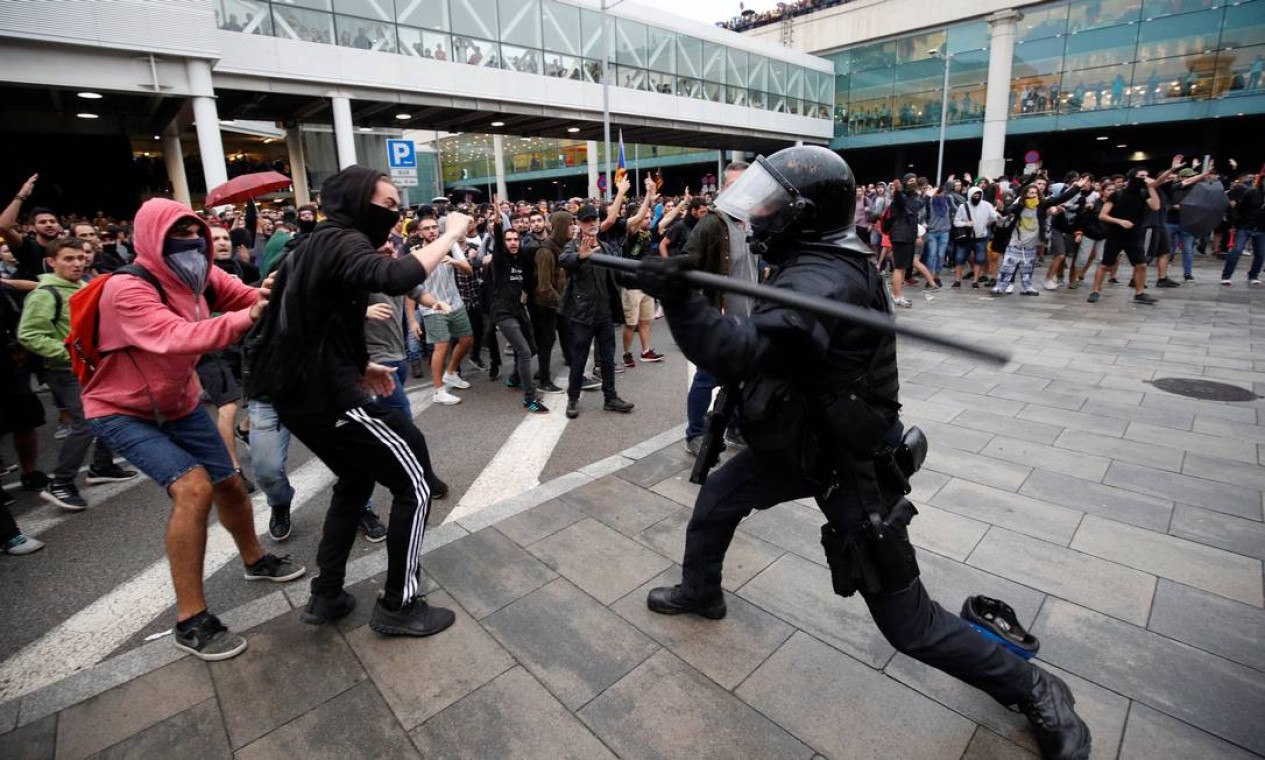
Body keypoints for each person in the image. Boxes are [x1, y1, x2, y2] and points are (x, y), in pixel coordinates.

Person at [634, 145, 1091, 760]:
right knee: (717, 500)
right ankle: (701, 591)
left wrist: (681, 301)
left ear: (804, 213)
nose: (759, 217)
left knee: (909, 625)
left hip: (849, 468)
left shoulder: (825, 278)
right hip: (797, 442)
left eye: (770, 206)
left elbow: (736, 352)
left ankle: (1035, 687)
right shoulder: (815, 254)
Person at [84, 198, 305, 662]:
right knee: (194, 489)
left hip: (179, 403)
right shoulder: (127, 288)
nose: (190, 245)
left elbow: (249, 297)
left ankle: (254, 560)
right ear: (150, 240)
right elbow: (176, 336)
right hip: (119, 410)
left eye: (195, 234)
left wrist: (277, 291)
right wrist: (250, 316)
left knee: (230, 485)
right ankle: (190, 618)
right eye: (176, 237)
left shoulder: (199, 273)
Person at [251, 165, 466, 637]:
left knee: (354, 478)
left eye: (396, 207)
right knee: (416, 483)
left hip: (305, 394)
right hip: (326, 398)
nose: (393, 215)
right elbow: (397, 275)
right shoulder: (343, 240)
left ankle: (327, 593)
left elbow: (316, 321)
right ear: (353, 202)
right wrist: (453, 232)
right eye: (387, 206)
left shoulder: (311, 245)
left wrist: (358, 365)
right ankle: (399, 604)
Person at [17, 237, 137, 510]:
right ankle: (60, 482)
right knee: (85, 424)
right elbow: (29, 334)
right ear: (51, 262)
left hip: (92, 367)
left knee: (111, 413)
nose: (77, 263)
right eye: (69, 259)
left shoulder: (81, 287)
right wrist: (70, 352)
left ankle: (102, 466)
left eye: (81, 258)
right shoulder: (46, 293)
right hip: (65, 371)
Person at [559, 204, 634, 419]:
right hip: (582, 315)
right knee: (579, 359)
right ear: (579, 223)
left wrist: (644, 277)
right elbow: (564, 261)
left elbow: (619, 274)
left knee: (608, 359)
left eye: (594, 219)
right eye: (586, 220)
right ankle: (572, 398)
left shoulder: (606, 247)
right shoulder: (573, 246)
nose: (591, 223)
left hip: (605, 314)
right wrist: (581, 257)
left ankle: (610, 398)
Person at [1088, 167, 1161, 305]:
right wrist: (1120, 221)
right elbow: (1103, 215)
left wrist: (1152, 188)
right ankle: (1095, 291)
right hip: (1115, 235)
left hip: (1134, 235)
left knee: (1141, 265)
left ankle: (1139, 293)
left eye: (1146, 176)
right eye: (1141, 176)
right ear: (1132, 177)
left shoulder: (1143, 194)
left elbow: (1156, 207)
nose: (1144, 179)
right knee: (1105, 265)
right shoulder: (1117, 195)